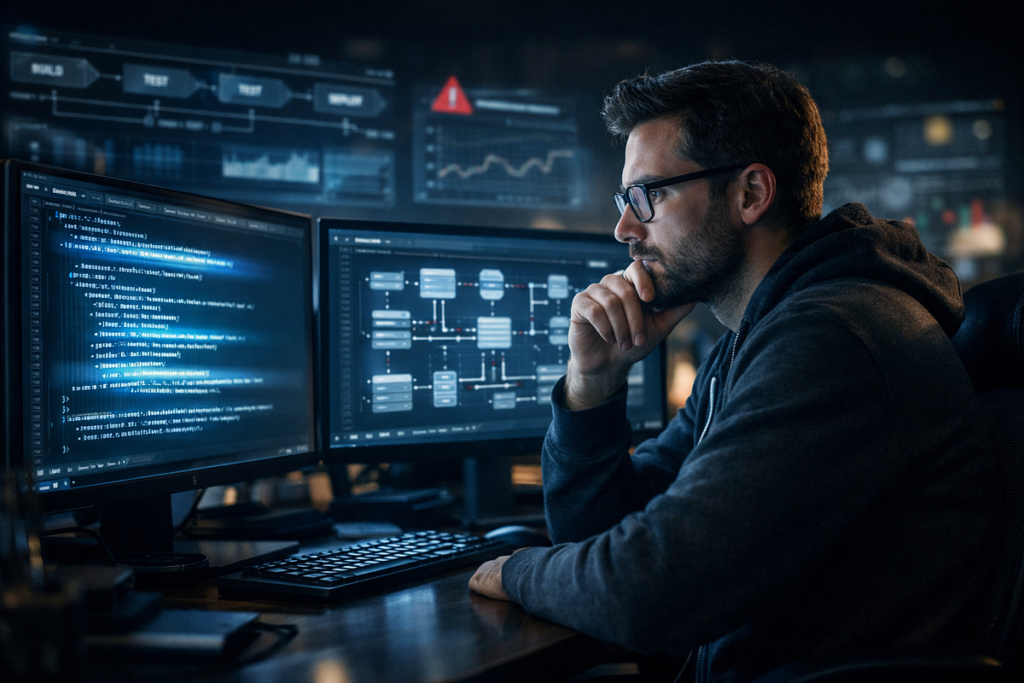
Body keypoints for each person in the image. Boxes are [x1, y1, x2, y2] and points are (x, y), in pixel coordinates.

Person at [469, 61, 1003, 682]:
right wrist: (595, 386)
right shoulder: (753, 343)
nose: (624, 229)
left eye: (650, 195)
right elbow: (605, 537)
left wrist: (517, 570)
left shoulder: (835, 339)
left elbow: (650, 592)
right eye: (625, 200)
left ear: (750, 193)